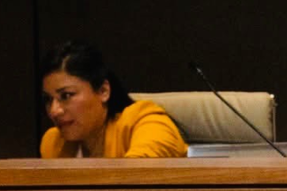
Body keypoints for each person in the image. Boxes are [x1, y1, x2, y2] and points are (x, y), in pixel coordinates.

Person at [39, 40, 187, 158]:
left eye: (66, 96)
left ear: (103, 91)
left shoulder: (145, 122)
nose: (54, 111)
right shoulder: (52, 143)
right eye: (48, 100)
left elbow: (136, 181)